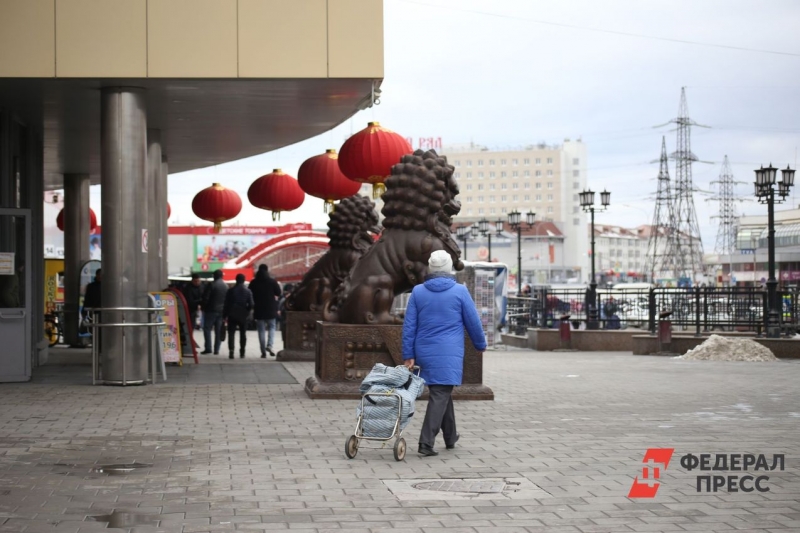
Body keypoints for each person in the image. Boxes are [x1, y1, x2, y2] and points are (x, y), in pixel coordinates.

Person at [402, 250, 487, 457]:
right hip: (449, 352)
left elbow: (409, 326)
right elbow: (473, 321)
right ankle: (426, 442)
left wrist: (408, 353)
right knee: (441, 392)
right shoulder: (459, 291)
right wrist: (480, 343)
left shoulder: (418, 292)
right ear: (449, 267)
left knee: (442, 390)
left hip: (424, 350)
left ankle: (450, 436)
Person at [248, 264, 282, 358]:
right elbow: (278, 293)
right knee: (272, 327)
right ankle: (270, 345)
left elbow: (249, 293)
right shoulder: (272, 281)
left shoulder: (253, 282)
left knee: (261, 331)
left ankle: (263, 352)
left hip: (259, 309)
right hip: (270, 308)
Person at [223, 273, 254, 359]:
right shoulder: (248, 291)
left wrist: (224, 315)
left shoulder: (230, 291)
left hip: (232, 314)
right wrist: (246, 311)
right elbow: (251, 304)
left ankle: (231, 351)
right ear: (244, 280)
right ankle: (242, 352)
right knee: (243, 333)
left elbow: (226, 304)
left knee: (231, 333)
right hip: (243, 315)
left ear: (236, 280)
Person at [200, 270, 228, 355]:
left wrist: (203, 307)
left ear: (214, 276)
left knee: (207, 329)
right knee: (218, 330)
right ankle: (217, 349)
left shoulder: (211, 285)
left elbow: (206, 298)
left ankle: (208, 348)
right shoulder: (225, 286)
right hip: (221, 311)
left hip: (210, 310)